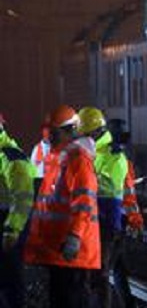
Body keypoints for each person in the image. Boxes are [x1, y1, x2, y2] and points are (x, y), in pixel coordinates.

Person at [24, 105, 101, 308]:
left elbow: (84, 205)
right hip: (58, 249)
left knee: (72, 299)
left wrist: (75, 237)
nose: (48, 136)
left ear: (70, 130)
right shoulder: (59, 159)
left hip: (72, 250)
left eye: (54, 131)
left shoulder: (78, 161)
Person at [79, 106, 134, 308]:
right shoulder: (92, 151)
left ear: (94, 132)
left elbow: (107, 187)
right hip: (99, 222)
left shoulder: (113, 155)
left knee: (99, 278)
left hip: (107, 224)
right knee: (109, 273)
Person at [0, 113, 36, 308]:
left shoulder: (12, 158)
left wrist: (12, 230)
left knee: (10, 282)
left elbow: (22, 199)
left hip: (7, 226)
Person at [108, 118, 143, 308]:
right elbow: (129, 197)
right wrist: (135, 221)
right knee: (116, 265)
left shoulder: (90, 155)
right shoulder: (121, 160)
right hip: (115, 221)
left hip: (93, 220)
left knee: (114, 265)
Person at [30, 115, 51, 194]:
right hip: (39, 184)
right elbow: (32, 172)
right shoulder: (37, 149)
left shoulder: (59, 149)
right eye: (46, 129)